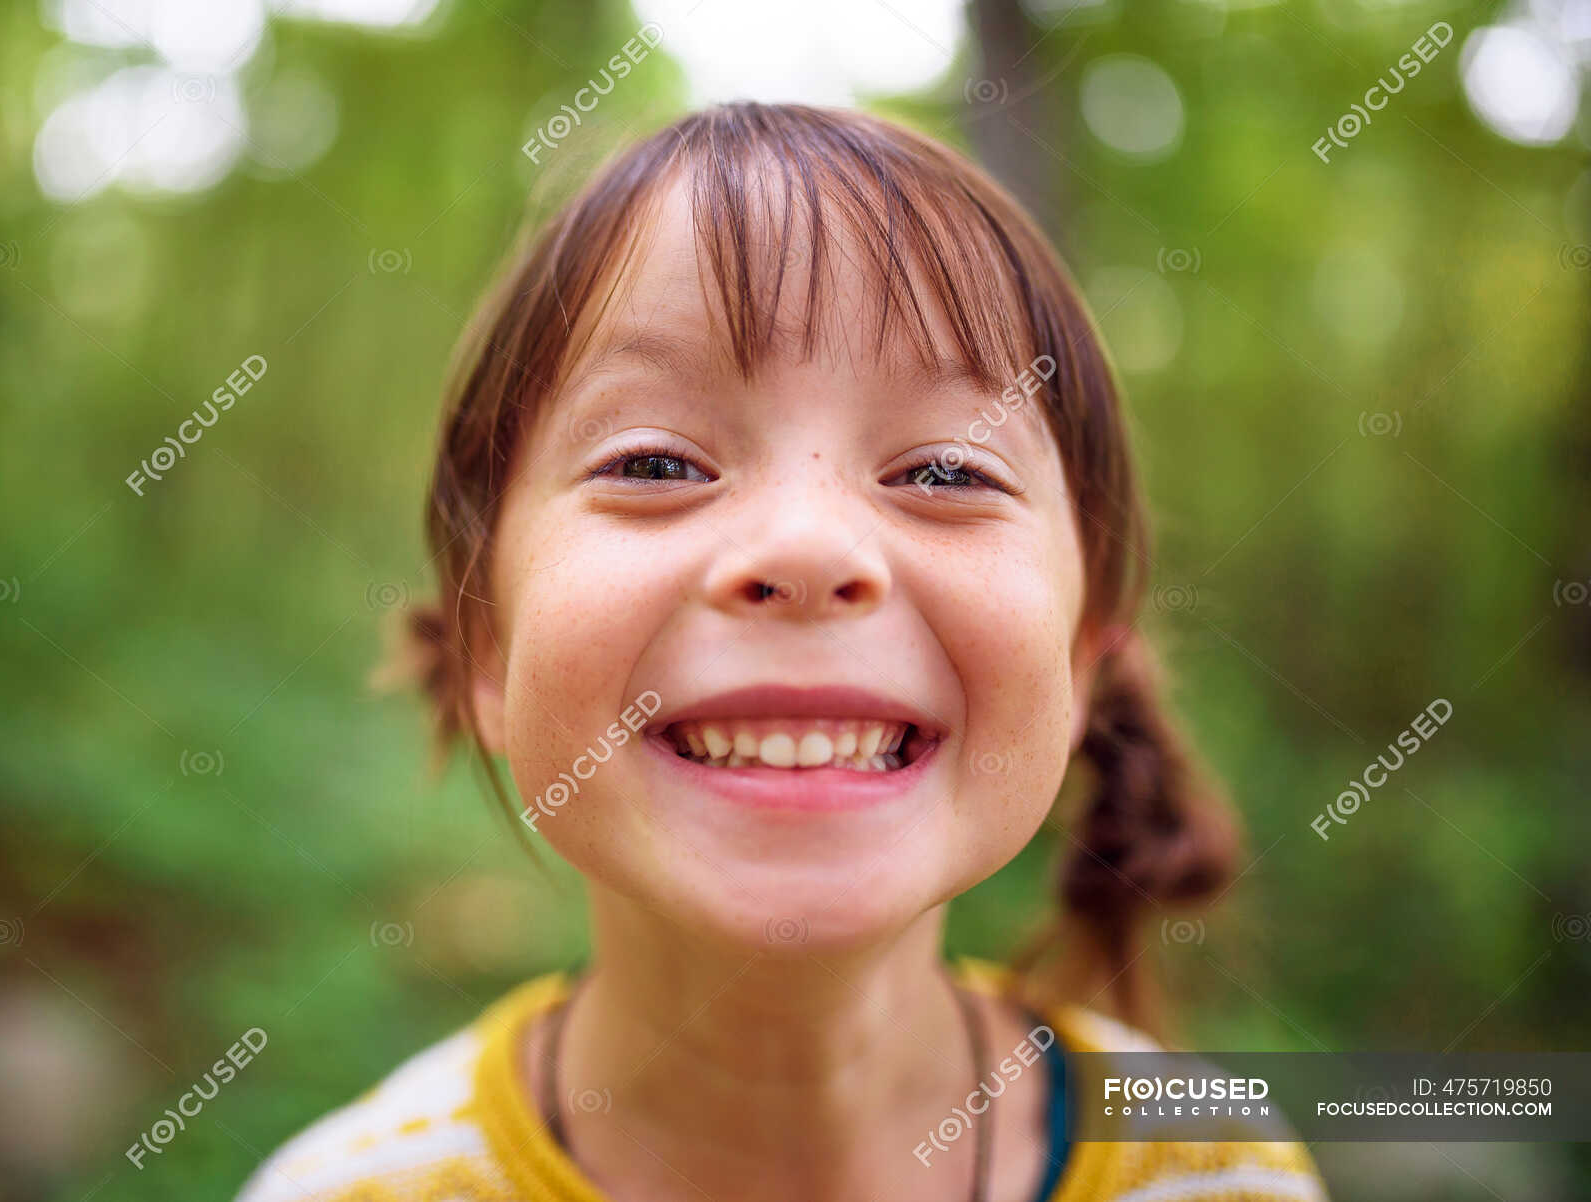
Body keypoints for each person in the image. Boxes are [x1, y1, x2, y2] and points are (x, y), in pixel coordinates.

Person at [236, 101, 1329, 1202]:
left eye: (947, 472)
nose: (807, 547)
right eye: (656, 463)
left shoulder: (1223, 1171)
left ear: (1084, 659)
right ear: (486, 650)